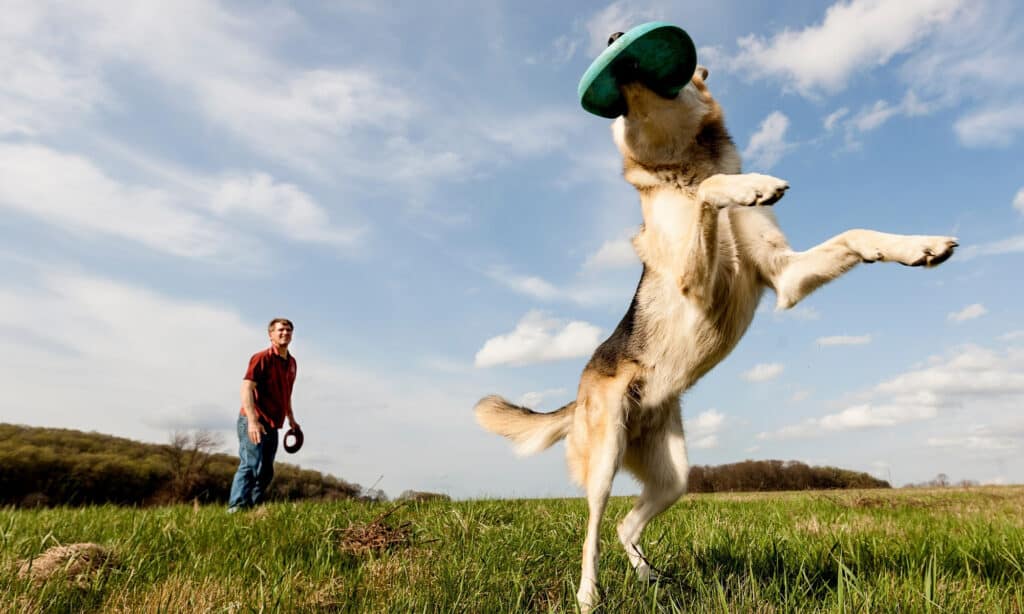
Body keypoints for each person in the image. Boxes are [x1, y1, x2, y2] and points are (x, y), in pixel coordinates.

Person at [227, 318, 300, 512]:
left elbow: (286, 394)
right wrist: (252, 421)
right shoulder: (261, 358)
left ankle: (252, 507)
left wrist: (291, 419)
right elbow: (246, 388)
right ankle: (236, 508)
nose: (285, 333)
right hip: (254, 420)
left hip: (273, 423)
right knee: (250, 464)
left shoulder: (291, 363)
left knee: (266, 470)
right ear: (271, 335)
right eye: (280, 330)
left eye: (288, 330)